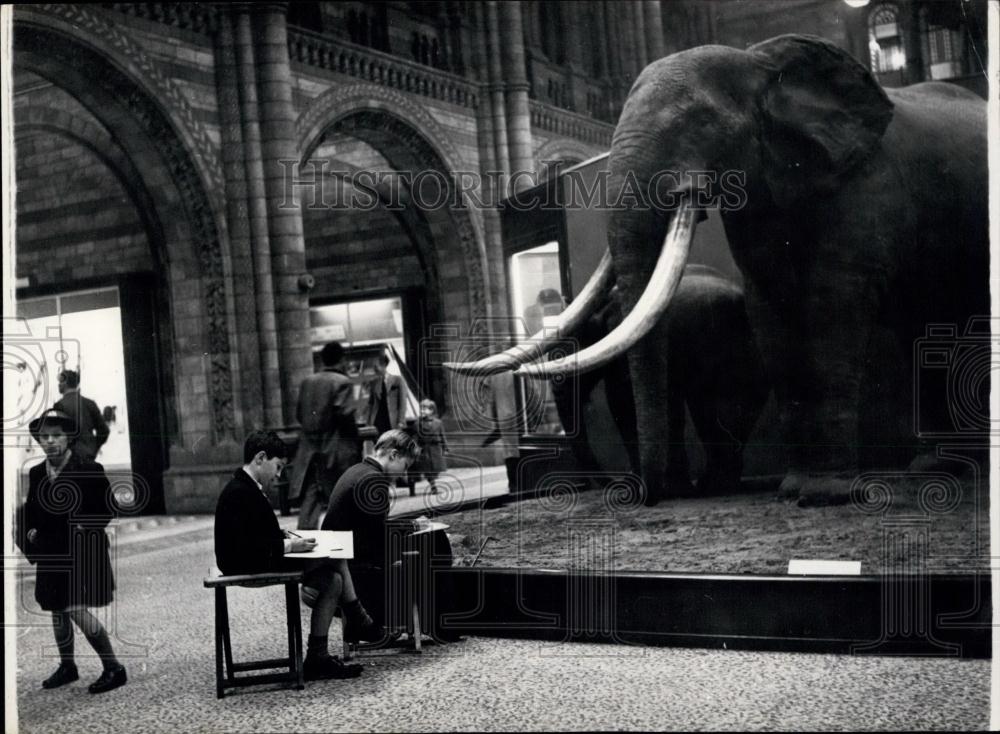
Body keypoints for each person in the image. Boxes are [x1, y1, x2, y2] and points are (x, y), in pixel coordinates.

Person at [214, 430, 385, 681]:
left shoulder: (245, 486)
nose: (279, 475)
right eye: (278, 467)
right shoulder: (241, 491)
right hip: (246, 562)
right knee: (334, 552)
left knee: (333, 580)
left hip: (255, 556)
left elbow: (256, 533)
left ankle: (318, 656)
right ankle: (357, 616)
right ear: (260, 458)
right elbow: (247, 547)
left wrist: (283, 537)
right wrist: (291, 546)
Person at [22, 409, 127, 694]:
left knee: (75, 609)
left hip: (81, 551)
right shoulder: (37, 473)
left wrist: (85, 524)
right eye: (44, 436)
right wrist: (30, 530)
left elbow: (108, 509)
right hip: (51, 551)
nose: (50, 441)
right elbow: (30, 510)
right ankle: (68, 666)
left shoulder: (89, 469)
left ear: (68, 437)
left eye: (56, 435)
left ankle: (114, 667)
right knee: (56, 609)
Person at [323, 430, 462, 642]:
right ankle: (442, 624)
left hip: (345, 562)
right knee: (437, 540)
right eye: (405, 466)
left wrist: (412, 525)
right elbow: (378, 539)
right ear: (394, 455)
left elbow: (373, 528)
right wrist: (415, 528)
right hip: (361, 570)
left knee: (430, 537)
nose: (404, 475)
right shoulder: (374, 480)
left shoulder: (358, 471)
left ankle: (436, 622)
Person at [289, 342, 362, 531]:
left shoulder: (307, 382)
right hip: (334, 450)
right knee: (340, 498)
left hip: (308, 451)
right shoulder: (342, 382)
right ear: (342, 359)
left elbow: (299, 415)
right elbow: (344, 415)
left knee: (310, 500)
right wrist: (355, 445)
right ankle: (342, 546)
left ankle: (305, 548)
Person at [53, 369, 109, 463]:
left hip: (69, 461)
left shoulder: (59, 406)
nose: (58, 384)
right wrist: (93, 449)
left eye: (60, 381)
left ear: (65, 383)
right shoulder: (90, 403)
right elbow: (104, 431)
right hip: (88, 457)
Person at [365, 353, 408, 437]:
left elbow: (402, 402)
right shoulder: (374, 382)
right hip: (378, 422)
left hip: (393, 421)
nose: (374, 368)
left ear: (384, 365)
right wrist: (368, 422)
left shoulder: (398, 380)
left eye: (376, 365)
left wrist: (401, 421)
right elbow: (371, 403)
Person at [413, 399, 448, 495]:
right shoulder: (418, 424)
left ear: (432, 410)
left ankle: (433, 482)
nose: (422, 411)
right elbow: (415, 437)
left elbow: (442, 435)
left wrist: (445, 447)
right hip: (425, 449)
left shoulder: (438, 422)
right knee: (428, 470)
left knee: (436, 469)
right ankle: (433, 486)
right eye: (421, 409)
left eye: (425, 409)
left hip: (436, 449)